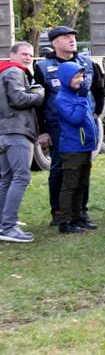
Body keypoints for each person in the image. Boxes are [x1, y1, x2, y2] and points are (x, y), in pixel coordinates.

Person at [34, 25, 105, 228]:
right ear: (55, 43)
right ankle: (59, 212)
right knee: (58, 168)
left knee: (83, 169)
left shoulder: (88, 63)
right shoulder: (43, 67)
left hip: (83, 122)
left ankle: (80, 212)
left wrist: (96, 113)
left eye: (73, 36)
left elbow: (99, 89)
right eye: (66, 37)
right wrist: (43, 130)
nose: (72, 40)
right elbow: (39, 102)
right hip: (57, 125)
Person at [0, 42, 45, 243]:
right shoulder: (14, 72)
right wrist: (38, 95)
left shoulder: (3, 72)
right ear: (12, 55)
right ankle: (8, 227)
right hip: (17, 131)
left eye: (30, 54)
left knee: (6, 178)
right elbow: (18, 99)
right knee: (21, 177)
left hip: (4, 133)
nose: (28, 58)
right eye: (24, 54)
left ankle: (4, 222)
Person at [53, 61, 98, 234]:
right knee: (70, 185)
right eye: (76, 76)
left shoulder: (79, 95)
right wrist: (81, 98)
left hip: (84, 146)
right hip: (72, 148)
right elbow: (76, 120)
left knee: (82, 184)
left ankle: (77, 217)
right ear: (66, 78)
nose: (81, 79)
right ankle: (65, 222)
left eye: (81, 76)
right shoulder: (63, 98)